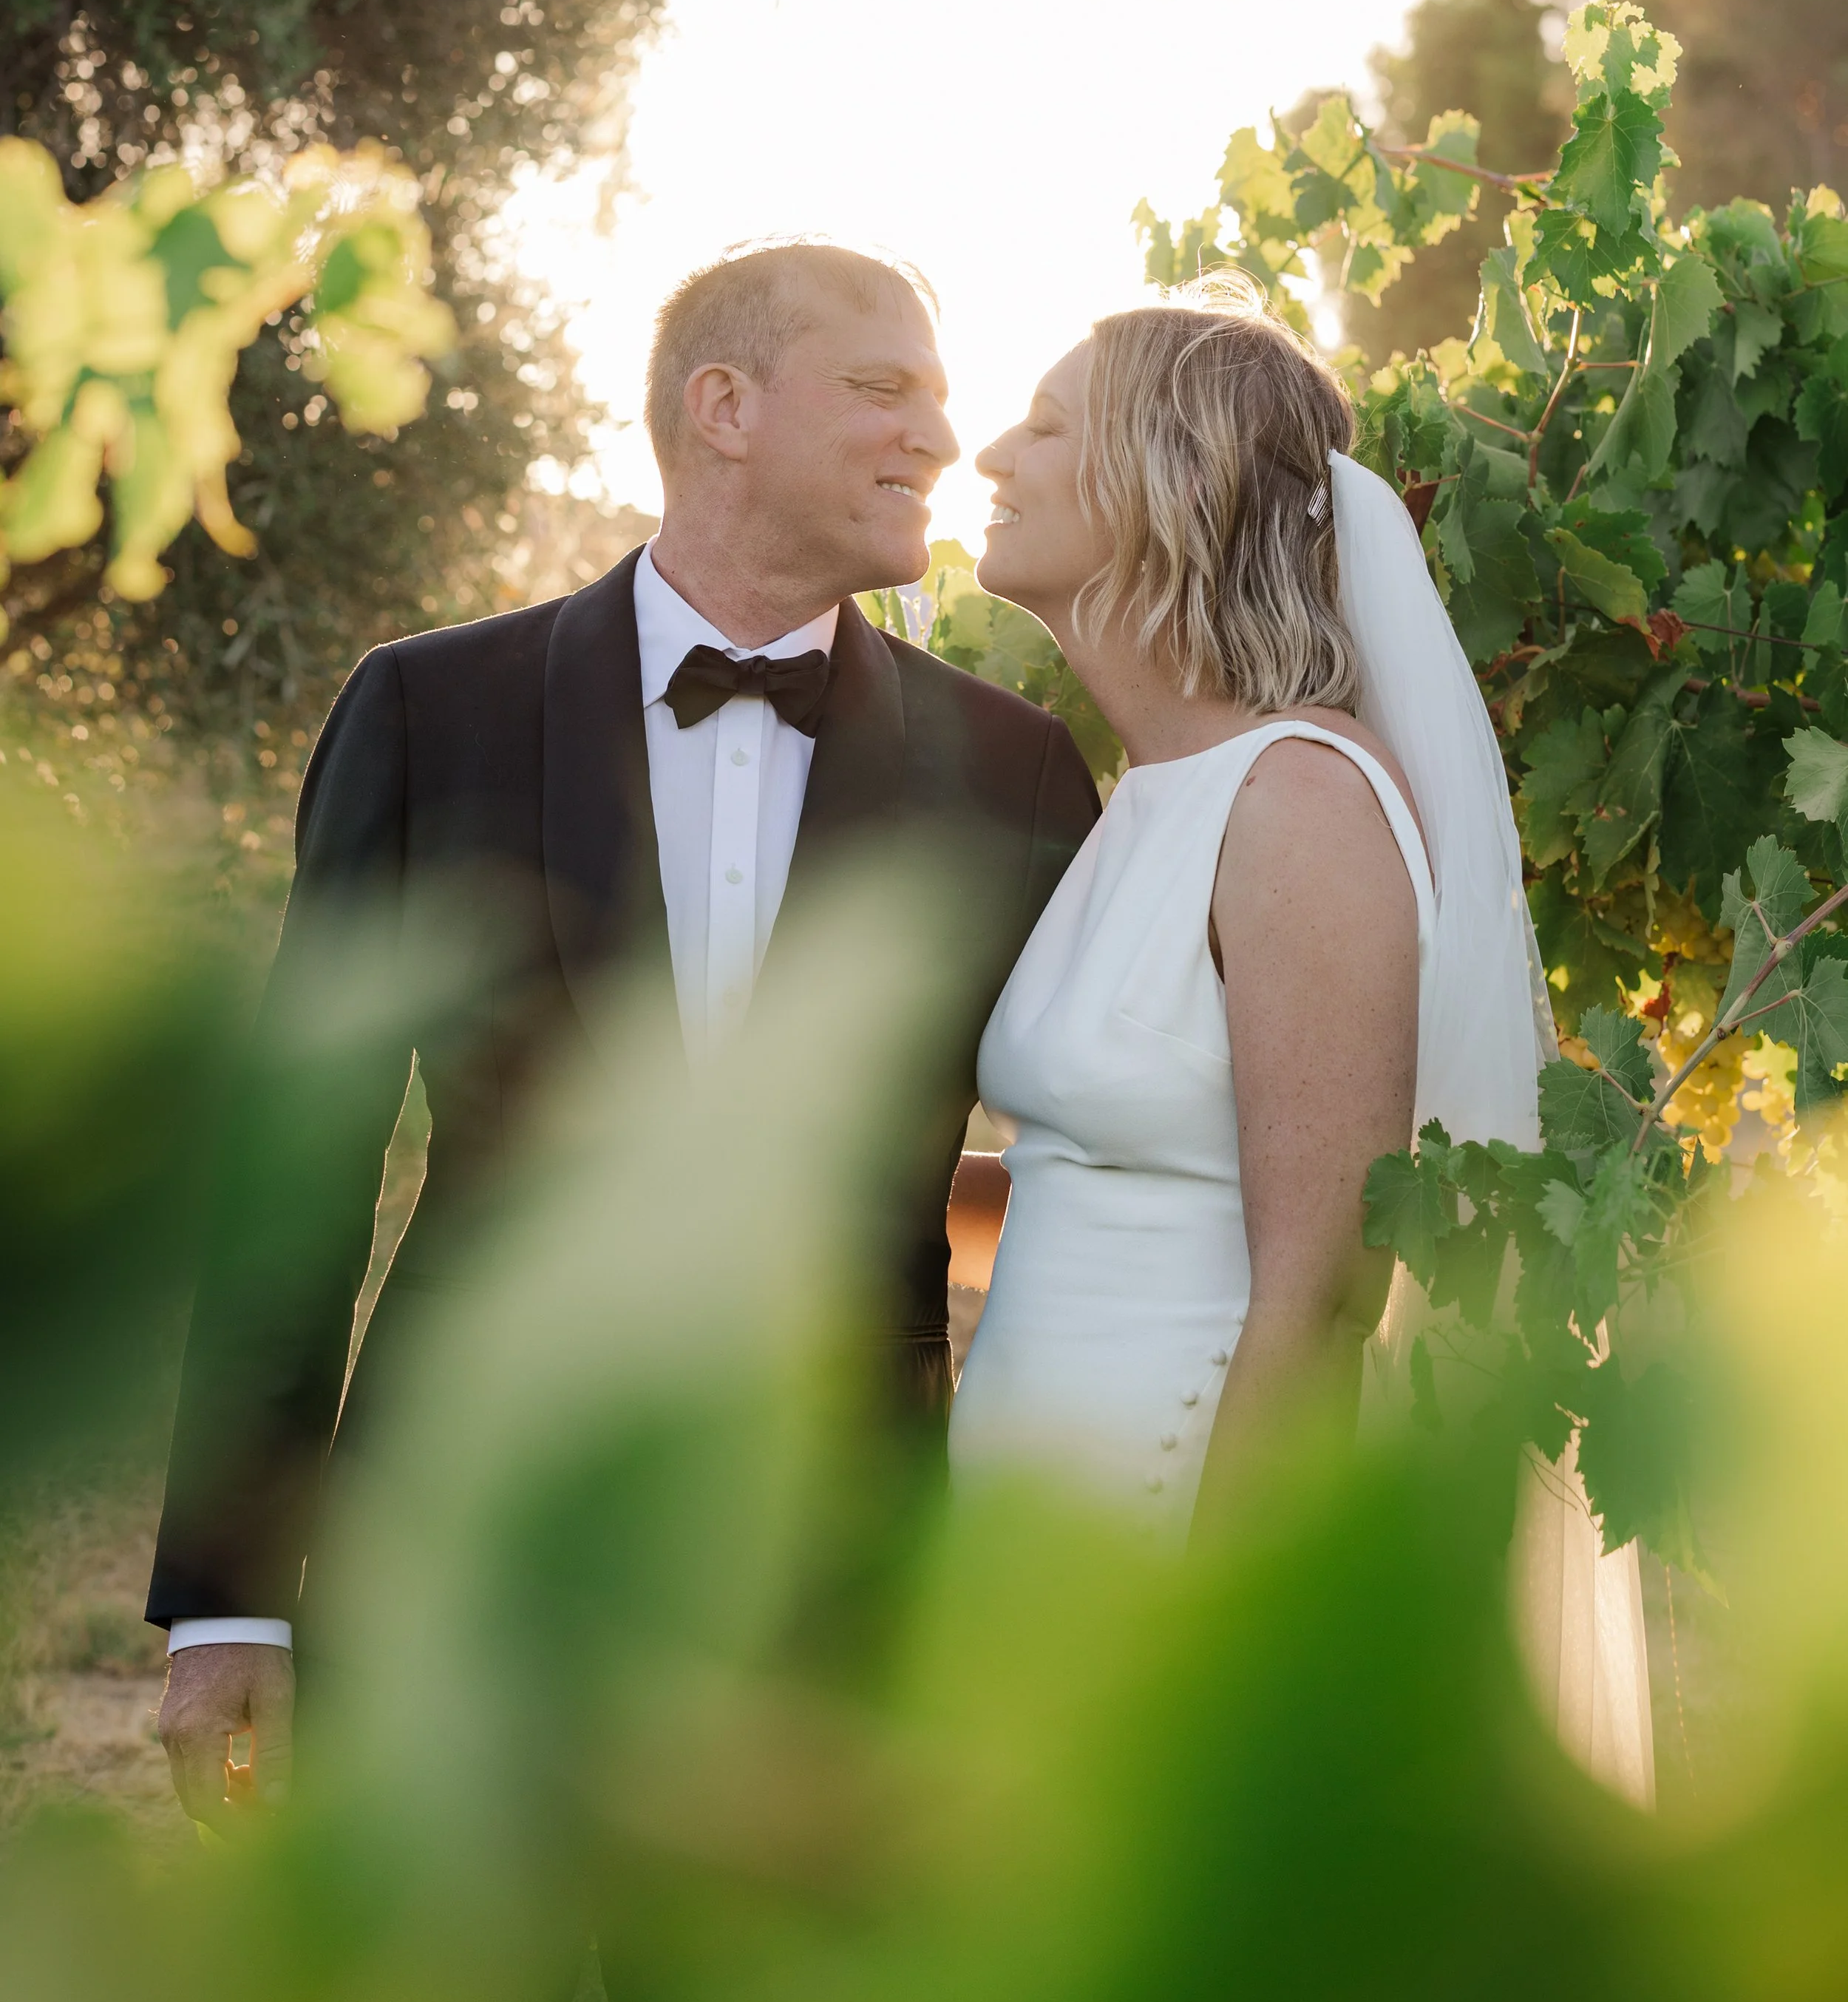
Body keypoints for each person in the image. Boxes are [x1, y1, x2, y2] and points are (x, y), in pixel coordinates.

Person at [149, 238, 1100, 1828]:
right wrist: (233, 1596)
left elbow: (1089, 1156)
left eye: (939, 399)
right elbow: (295, 1178)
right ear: (720, 406)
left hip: (832, 1581)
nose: (935, 440)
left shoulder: (1011, 772)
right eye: (882, 390)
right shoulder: (426, 712)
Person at [949, 280, 1554, 1540]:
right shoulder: (1145, 795)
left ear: (1178, 474)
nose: (994, 454)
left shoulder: (1298, 801)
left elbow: (1322, 1294)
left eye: (1049, 425)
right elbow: (1106, 1182)